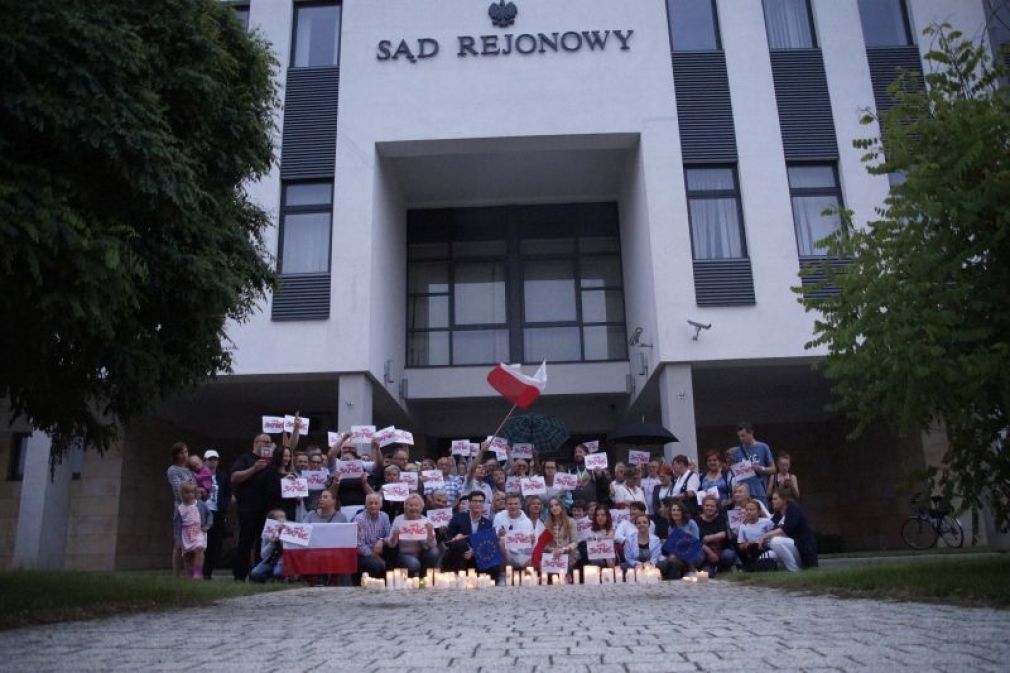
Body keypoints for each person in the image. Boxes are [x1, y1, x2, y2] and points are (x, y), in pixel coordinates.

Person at [231, 434, 282, 581]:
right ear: (255, 443)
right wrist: (254, 468)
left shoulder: (273, 462)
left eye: (269, 442)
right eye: (264, 442)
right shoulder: (245, 458)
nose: (267, 444)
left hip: (267, 508)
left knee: (264, 542)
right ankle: (240, 575)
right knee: (246, 541)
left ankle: (259, 574)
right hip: (248, 507)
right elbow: (234, 477)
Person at [762, 489, 818, 571]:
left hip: (802, 548)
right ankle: (779, 569)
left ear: (784, 500)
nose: (772, 501)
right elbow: (770, 528)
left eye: (775, 499)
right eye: (772, 499)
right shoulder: (778, 514)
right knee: (767, 555)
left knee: (776, 541)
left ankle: (794, 570)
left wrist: (765, 536)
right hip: (789, 547)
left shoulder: (794, 509)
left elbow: (786, 529)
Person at [444, 491, 494, 573]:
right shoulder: (458, 518)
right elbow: (448, 539)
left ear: (484, 504)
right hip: (460, 554)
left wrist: (474, 551)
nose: (478, 504)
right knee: (461, 544)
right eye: (475, 501)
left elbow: (488, 544)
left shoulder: (488, 523)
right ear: (469, 503)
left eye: (480, 501)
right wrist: (455, 538)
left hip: (478, 556)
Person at [390, 493, 439, 577]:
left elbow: (433, 545)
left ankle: (424, 577)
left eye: (416, 505)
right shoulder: (399, 520)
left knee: (435, 552)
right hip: (404, 554)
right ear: (405, 507)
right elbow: (391, 544)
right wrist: (395, 536)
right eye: (410, 505)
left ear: (421, 507)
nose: (413, 508)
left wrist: (430, 532)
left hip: (422, 553)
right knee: (414, 564)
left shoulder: (425, 520)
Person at [729, 422, 775, 507]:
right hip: (743, 492)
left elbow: (773, 469)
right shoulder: (737, 451)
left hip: (759, 490)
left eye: (743, 435)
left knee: (762, 516)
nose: (741, 439)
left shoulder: (763, 447)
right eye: (739, 436)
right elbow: (734, 474)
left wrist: (761, 468)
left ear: (751, 433)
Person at [201, 449, 231, 580]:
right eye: (210, 460)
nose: (213, 462)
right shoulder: (199, 475)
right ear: (204, 461)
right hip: (202, 512)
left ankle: (208, 572)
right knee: (201, 542)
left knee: (215, 543)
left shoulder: (223, 476)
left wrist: (224, 505)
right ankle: (198, 570)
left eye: (215, 460)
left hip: (217, 513)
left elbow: (227, 493)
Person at [173, 481, 211, 580]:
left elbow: (209, 514)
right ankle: (189, 574)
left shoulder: (200, 504)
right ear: (181, 494)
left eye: (192, 492)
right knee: (188, 555)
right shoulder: (180, 508)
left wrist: (208, 525)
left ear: (195, 493)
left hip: (199, 531)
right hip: (186, 533)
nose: (190, 495)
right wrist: (177, 539)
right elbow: (177, 525)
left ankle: (198, 573)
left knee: (199, 548)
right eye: (187, 492)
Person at [166, 442, 194, 575]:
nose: (184, 455)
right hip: (180, 509)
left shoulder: (189, 471)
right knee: (178, 543)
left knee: (191, 544)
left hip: (192, 510)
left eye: (186, 452)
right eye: (181, 452)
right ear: (176, 455)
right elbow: (179, 490)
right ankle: (175, 574)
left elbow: (195, 490)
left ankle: (189, 573)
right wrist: (190, 490)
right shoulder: (173, 470)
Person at [494, 493, 537, 575]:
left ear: (520, 505)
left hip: (522, 554)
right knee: (501, 541)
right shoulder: (499, 517)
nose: (513, 506)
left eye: (516, 504)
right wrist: (498, 534)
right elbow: (493, 536)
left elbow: (529, 547)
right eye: (510, 504)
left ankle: (525, 576)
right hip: (505, 553)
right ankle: (505, 574)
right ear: (506, 506)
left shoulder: (527, 522)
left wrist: (531, 541)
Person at [354, 492, 392, 578]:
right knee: (375, 565)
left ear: (381, 505)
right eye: (370, 503)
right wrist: (376, 557)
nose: (373, 506)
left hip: (380, 549)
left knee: (393, 556)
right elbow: (359, 545)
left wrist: (381, 541)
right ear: (366, 505)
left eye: (376, 503)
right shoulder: (359, 519)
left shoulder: (384, 516)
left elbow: (389, 535)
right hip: (363, 554)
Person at [696, 494, 735, 576]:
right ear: (703, 506)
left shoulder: (721, 518)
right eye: (707, 505)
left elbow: (724, 534)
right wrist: (710, 552)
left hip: (721, 551)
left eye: (712, 506)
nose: (709, 508)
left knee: (729, 554)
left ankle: (724, 569)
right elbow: (696, 541)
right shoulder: (697, 520)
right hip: (705, 552)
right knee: (707, 574)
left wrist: (709, 538)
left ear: (716, 508)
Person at [663, 502, 702, 579]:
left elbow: (696, 541)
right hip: (678, 552)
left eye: (678, 510)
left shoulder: (691, 523)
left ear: (683, 512)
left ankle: (691, 571)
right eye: (673, 510)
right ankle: (685, 571)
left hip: (695, 551)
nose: (675, 512)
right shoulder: (671, 527)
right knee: (671, 558)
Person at [543, 497, 579, 579]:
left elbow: (575, 542)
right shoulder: (546, 523)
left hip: (568, 553)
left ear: (561, 506)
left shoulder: (571, 521)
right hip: (552, 555)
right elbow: (545, 544)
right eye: (551, 506)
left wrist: (564, 549)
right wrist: (553, 550)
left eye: (556, 505)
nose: (554, 508)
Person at [736, 499, 775, 571]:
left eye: (752, 510)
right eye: (747, 510)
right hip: (751, 551)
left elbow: (775, 533)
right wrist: (747, 544)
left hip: (765, 548)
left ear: (759, 512)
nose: (749, 512)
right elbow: (740, 545)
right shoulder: (743, 526)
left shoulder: (767, 522)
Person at [250, 509, 286, 583]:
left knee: (278, 573)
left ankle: (276, 577)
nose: (283, 520)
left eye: (284, 517)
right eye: (280, 517)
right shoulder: (267, 533)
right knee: (255, 573)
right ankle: (269, 577)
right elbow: (263, 555)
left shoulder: (288, 532)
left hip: (281, 562)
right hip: (268, 562)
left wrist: (282, 541)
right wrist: (271, 543)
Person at [584, 505, 617, 570]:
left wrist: (603, 539)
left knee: (608, 553)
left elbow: (610, 537)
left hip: (610, 556)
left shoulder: (612, 528)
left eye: (603, 515)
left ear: (607, 516)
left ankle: (613, 573)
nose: (600, 517)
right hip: (595, 557)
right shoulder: (590, 530)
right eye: (598, 515)